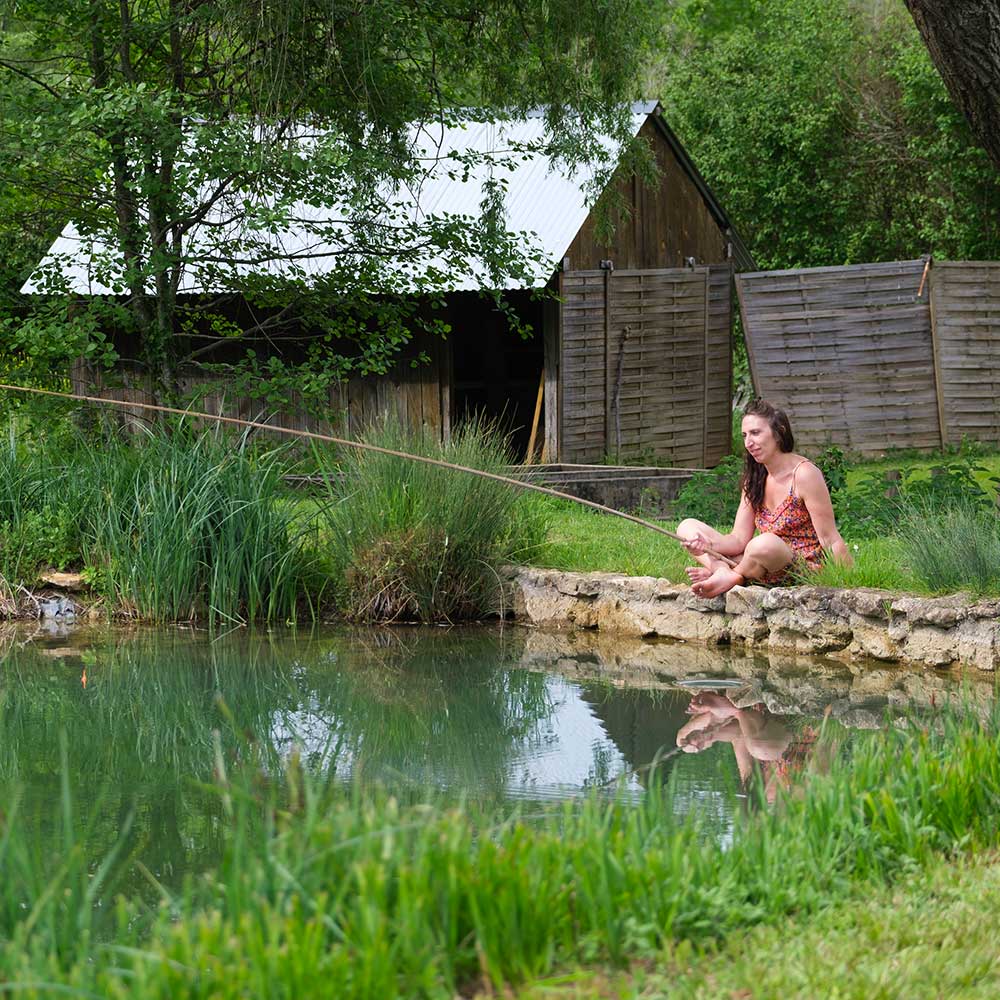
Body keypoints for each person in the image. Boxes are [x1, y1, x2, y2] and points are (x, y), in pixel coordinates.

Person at [677, 399, 852, 598]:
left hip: (796, 568)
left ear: (779, 432)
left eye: (756, 433)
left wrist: (848, 582)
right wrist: (707, 545)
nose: (748, 443)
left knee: (764, 543)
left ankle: (732, 574)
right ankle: (724, 572)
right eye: (744, 435)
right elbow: (738, 539)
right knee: (687, 527)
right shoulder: (755, 477)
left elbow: (829, 538)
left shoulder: (804, 474)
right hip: (758, 561)